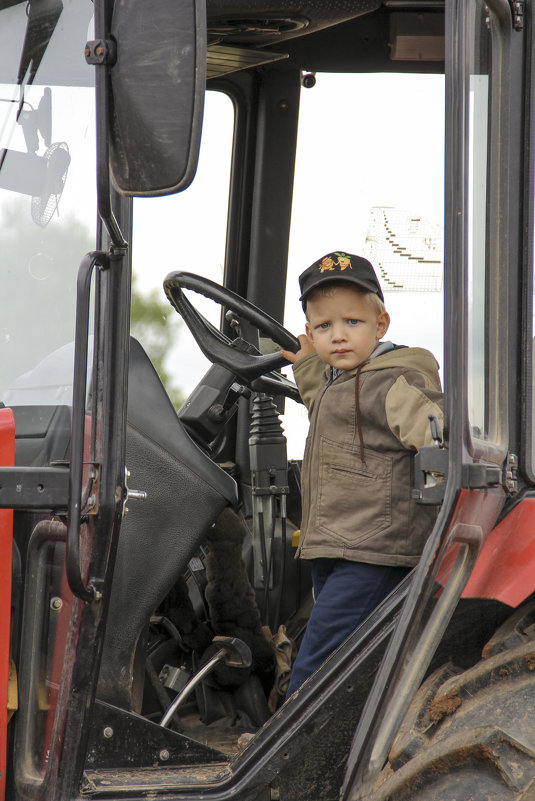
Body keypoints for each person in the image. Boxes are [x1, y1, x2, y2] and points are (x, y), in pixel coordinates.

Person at [280, 250, 443, 696]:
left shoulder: (394, 382)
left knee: (319, 657)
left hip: (375, 549)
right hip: (337, 544)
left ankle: (291, 748)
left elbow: (436, 436)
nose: (338, 336)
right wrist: (308, 364)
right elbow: (325, 408)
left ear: (381, 325)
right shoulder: (339, 381)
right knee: (335, 649)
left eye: (352, 323)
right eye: (324, 327)